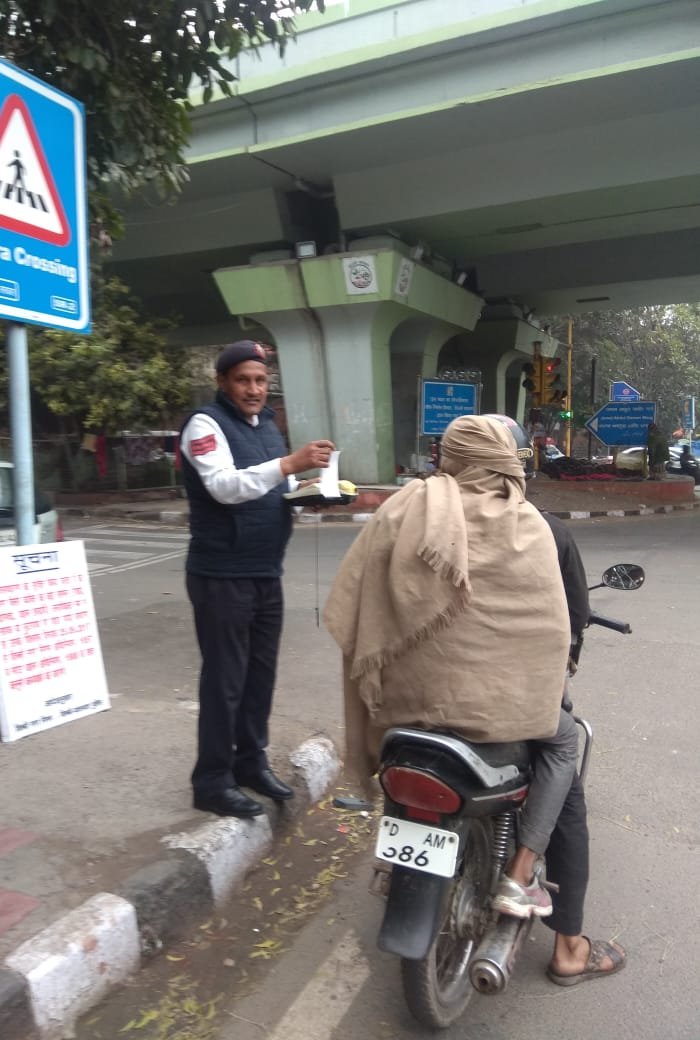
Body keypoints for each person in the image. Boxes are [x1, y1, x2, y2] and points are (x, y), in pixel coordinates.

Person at [324, 414, 575, 919]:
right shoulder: (530, 526)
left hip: (404, 711)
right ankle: (521, 874)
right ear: (506, 461)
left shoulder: (400, 511)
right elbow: (551, 634)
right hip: (497, 719)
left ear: (450, 456)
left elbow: (361, 613)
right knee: (566, 739)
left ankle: (395, 858)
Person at [180, 339, 335, 819]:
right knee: (225, 680)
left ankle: (250, 763)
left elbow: (278, 486)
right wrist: (291, 464)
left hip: (266, 571)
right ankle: (211, 780)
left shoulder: (267, 425)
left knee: (259, 677)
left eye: (261, 380)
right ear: (224, 382)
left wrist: (313, 493)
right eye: (243, 380)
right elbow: (226, 487)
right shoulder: (204, 425)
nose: (253, 389)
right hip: (221, 574)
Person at [539, 509, 627, 985]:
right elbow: (574, 613)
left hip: (419, 703)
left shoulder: (414, 515)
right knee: (565, 789)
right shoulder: (544, 527)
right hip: (513, 705)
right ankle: (569, 949)